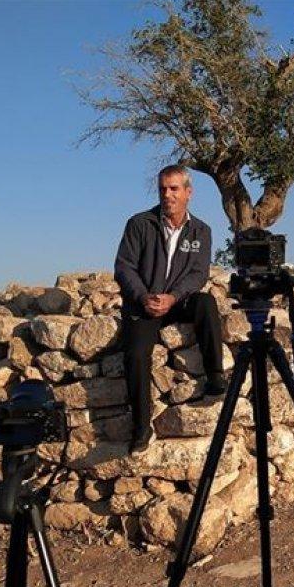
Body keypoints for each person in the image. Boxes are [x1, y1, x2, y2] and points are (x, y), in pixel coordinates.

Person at [114, 164, 226, 452]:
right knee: (137, 355)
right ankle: (141, 427)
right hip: (144, 305)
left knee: (206, 302)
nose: (167, 194)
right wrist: (143, 297)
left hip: (177, 301)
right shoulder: (139, 224)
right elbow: (124, 267)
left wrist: (173, 297)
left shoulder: (201, 230)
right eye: (163, 188)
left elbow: (199, 274)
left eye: (174, 188)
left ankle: (215, 376)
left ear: (188, 193)